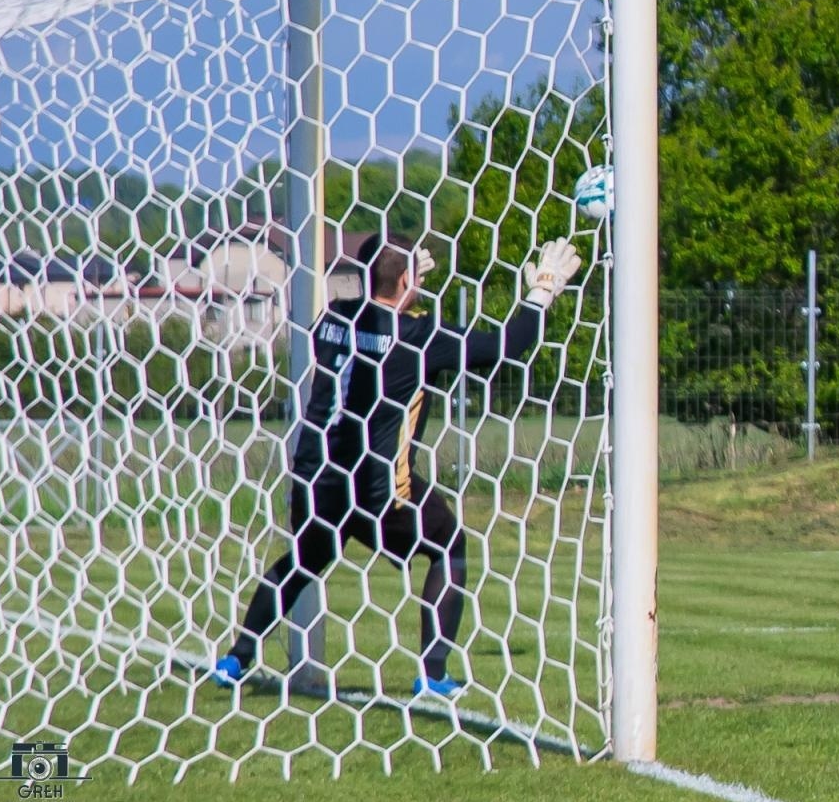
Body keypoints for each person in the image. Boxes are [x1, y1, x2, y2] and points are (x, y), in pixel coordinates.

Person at [213, 232, 581, 697]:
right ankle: (433, 673)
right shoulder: (420, 337)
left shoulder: (333, 318)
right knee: (450, 546)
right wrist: (543, 290)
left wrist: (397, 279)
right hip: (378, 486)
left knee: (306, 561)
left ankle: (235, 659)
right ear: (408, 277)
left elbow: (374, 304)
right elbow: (509, 346)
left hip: (315, 478)